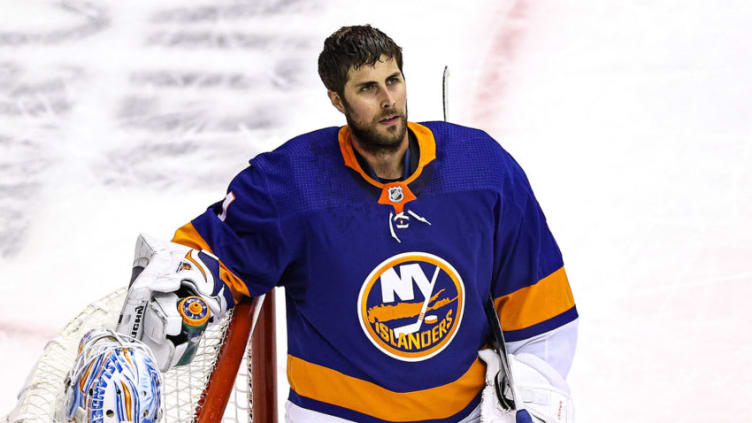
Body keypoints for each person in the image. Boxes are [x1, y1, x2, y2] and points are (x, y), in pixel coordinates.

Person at [117, 25, 578, 423]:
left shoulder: (481, 169)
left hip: (463, 413)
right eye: (367, 88)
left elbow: (539, 308)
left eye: (393, 80)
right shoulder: (294, 183)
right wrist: (168, 311)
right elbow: (206, 255)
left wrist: (532, 401)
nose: (387, 100)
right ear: (337, 99)